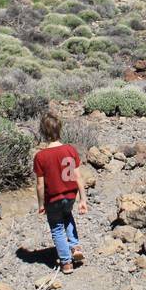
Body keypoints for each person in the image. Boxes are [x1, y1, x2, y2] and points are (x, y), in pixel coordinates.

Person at [33, 112, 89, 274]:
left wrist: (41, 204)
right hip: (70, 196)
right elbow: (78, 177)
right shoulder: (70, 150)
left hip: (53, 199)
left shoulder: (40, 156)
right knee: (68, 216)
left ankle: (66, 263)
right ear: (60, 130)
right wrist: (83, 199)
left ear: (43, 132)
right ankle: (75, 246)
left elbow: (39, 185)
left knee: (57, 227)